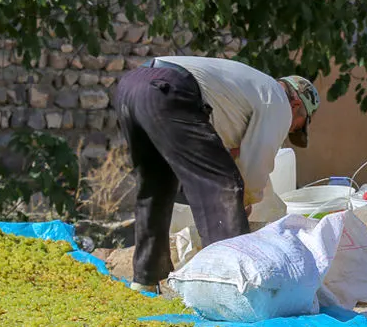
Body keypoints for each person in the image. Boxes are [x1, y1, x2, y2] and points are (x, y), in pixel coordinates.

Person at [112, 56, 320, 292]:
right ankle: (230, 288)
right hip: (168, 89)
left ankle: (145, 279)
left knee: (156, 185)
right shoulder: (278, 101)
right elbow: (256, 162)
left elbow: (211, 143)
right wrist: (244, 200)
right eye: (298, 124)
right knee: (223, 187)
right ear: (295, 106)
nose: (291, 129)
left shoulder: (247, 90)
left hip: (130, 87)